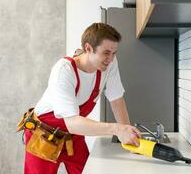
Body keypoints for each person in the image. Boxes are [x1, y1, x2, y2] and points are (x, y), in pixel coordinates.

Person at [23, 23, 141, 174]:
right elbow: (72, 122)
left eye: (114, 53)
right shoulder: (64, 70)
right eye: (106, 53)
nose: (110, 59)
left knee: (87, 171)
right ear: (88, 48)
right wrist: (117, 129)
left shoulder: (109, 64)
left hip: (73, 136)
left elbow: (116, 99)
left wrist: (129, 137)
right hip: (43, 135)